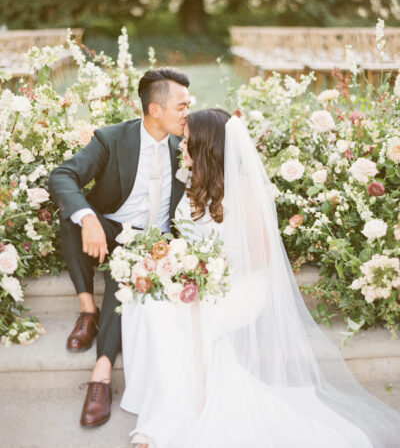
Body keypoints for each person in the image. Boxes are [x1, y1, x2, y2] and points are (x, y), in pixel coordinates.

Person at [120, 109, 400, 448]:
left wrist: (206, 270)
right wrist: (167, 263)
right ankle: (161, 408)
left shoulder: (243, 188)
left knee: (169, 316)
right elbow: (189, 241)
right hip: (204, 278)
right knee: (143, 302)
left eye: (189, 140)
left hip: (240, 286)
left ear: (207, 146)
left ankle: (171, 422)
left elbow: (261, 255)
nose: (183, 144)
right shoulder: (194, 182)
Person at [48, 67, 190, 427]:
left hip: (158, 243)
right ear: (155, 109)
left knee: (121, 277)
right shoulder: (113, 139)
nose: (188, 112)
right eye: (181, 105)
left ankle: (102, 373)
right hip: (112, 227)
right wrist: (89, 217)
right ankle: (87, 310)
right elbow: (63, 175)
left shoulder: (187, 143)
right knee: (72, 216)